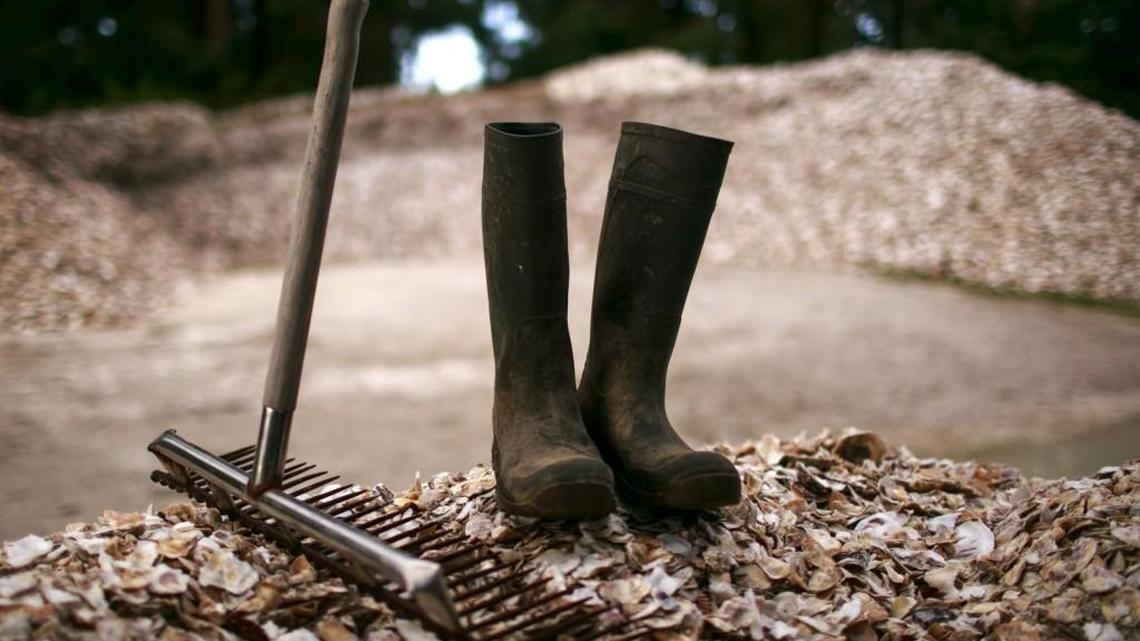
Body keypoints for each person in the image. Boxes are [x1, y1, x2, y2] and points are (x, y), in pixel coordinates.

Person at [481, 121, 741, 519]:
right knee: (525, 163)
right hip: (531, 410)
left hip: (624, 409)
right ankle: (529, 406)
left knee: (674, 164)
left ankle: (621, 401)